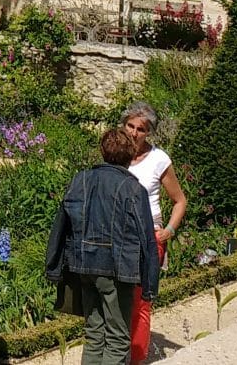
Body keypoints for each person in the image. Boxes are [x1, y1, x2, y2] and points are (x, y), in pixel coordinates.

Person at [46, 128, 160, 365]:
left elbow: (61, 224)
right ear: (130, 156)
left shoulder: (81, 180)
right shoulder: (133, 189)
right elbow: (147, 239)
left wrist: (54, 266)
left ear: (103, 152)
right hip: (117, 270)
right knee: (118, 338)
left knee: (94, 333)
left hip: (84, 266)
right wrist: (149, 284)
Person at [120, 105, 187, 363]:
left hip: (148, 236)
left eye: (141, 129)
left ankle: (137, 358)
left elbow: (180, 200)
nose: (135, 133)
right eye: (131, 126)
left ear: (149, 133)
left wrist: (168, 231)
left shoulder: (159, 159)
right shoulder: (116, 153)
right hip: (119, 236)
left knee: (141, 302)